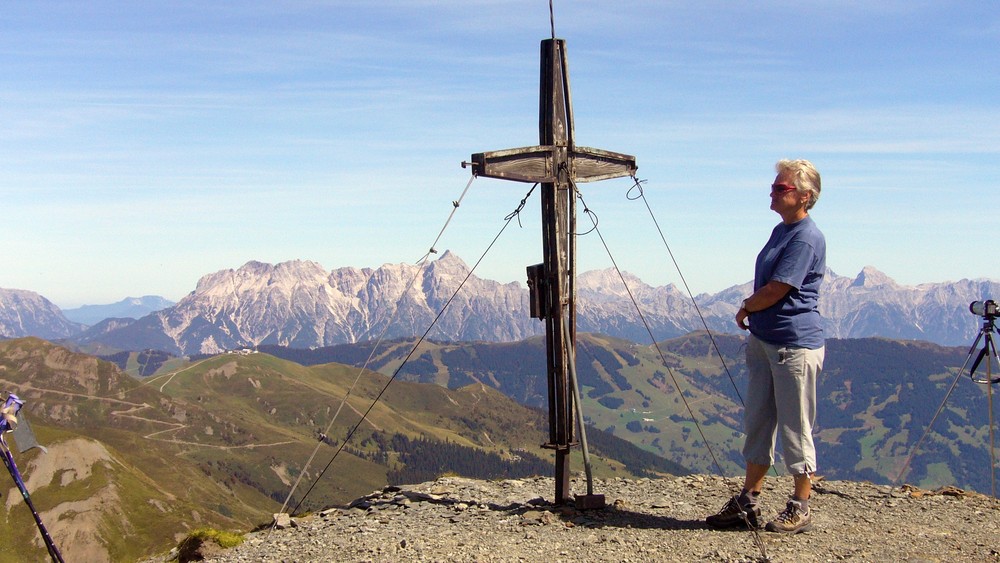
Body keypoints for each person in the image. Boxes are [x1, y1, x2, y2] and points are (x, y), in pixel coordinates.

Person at [706, 159, 826, 534]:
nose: (773, 193)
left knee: (795, 427)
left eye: (781, 188)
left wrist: (745, 307)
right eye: (774, 187)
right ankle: (749, 501)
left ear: (805, 196)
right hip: (765, 340)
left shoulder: (806, 236)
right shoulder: (782, 230)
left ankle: (800, 505)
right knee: (758, 420)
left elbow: (779, 288)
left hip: (793, 343)